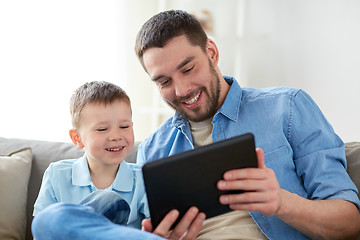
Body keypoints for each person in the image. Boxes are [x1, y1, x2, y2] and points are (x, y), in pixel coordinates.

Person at [134, 10, 360, 240]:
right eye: (164, 82)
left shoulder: (287, 108)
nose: (182, 90)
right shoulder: (151, 151)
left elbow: (350, 224)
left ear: (211, 52)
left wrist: (281, 202)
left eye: (188, 69)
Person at [31, 81, 204, 240]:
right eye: (102, 129)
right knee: (45, 221)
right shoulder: (57, 174)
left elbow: (161, 228)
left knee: (108, 201)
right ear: (77, 138)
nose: (116, 136)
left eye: (124, 126)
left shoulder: (144, 179)